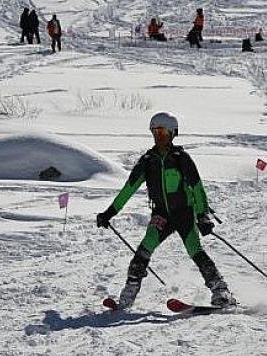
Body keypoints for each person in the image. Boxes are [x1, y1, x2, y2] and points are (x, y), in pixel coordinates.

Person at [96, 112, 237, 309]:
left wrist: (203, 215)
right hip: (161, 214)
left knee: (195, 250)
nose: (159, 137)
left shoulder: (181, 159)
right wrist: (109, 213)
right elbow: (128, 189)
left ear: (172, 134)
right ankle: (127, 297)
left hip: (184, 213)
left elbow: (197, 188)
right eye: (156, 133)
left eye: (163, 133)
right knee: (143, 251)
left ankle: (221, 291)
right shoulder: (147, 161)